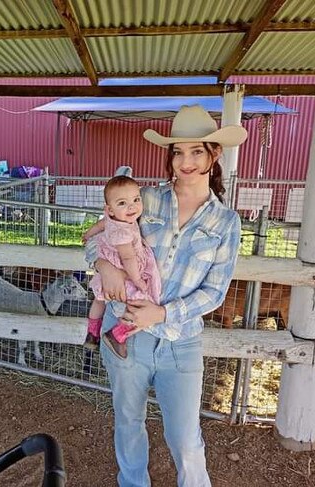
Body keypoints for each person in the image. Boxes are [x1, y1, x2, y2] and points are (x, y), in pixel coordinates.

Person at [88, 104, 246, 486]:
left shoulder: (225, 222)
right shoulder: (144, 201)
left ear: (215, 154)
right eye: (178, 151)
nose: (186, 161)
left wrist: (160, 314)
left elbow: (215, 292)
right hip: (125, 331)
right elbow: (97, 238)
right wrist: (103, 266)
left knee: (185, 437)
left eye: (196, 151)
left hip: (181, 341)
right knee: (128, 420)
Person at [81, 175, 161, 359]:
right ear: (109, 209)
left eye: (136, 200)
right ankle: (117, 334)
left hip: (108, 267)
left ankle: (92, 333)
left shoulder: (113, 220)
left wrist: (88, 233)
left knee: (99, 299)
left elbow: (100, 224)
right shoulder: (123, 232)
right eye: (123, 203)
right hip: (124, 272)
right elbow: (128, 258)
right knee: (140, 301)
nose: (132, 207)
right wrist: (137, 279)